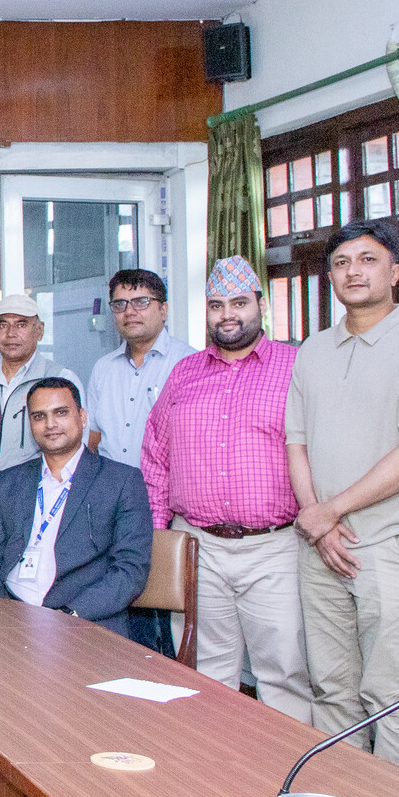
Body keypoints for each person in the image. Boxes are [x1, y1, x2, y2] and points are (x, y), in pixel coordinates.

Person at [289, 220, 399, 773]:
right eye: (341, 263)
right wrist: (318, 523)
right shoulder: (313, 350)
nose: (353, 271)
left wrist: (329, 512)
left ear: (395, 272)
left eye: (367, 260)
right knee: (332, 690)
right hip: (320, 548)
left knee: (390, 697)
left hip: (390, 548)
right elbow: (296, 444)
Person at [140, 257, 308, 712]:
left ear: (261, 306)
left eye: (238, 303)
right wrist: (159, 536)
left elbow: (321, 450)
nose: (227, 314)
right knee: (203, 674)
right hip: (199, 547)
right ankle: (212, 760)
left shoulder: (296, 367)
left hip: (275, 548)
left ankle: (286, 761)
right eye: (216, 305)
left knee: (284, 673)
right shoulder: (185, 373)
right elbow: (156, 457)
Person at [0, 379, 154, 644]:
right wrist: (8, 616)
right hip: (9, 622)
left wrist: (69, 616)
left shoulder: (121, 481)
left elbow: (130, 571)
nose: (50, 424)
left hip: (82, 625)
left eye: (61, 412)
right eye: (39, 416)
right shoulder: (9, 481)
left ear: (82, 417)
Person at [86, 268, 194, 468]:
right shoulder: (103, 368)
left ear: (163, 310)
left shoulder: (188, 363)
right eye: (120, 304)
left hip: (165, 485)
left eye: (141, 302)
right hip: (110, 484)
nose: (129, 312)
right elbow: (93, 439)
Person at [0, 294, 81, 481]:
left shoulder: (59, 379)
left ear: (40, 330)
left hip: (35, 494)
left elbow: (76, 448)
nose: (11, 333)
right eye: (3, 325)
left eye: (21, 325)